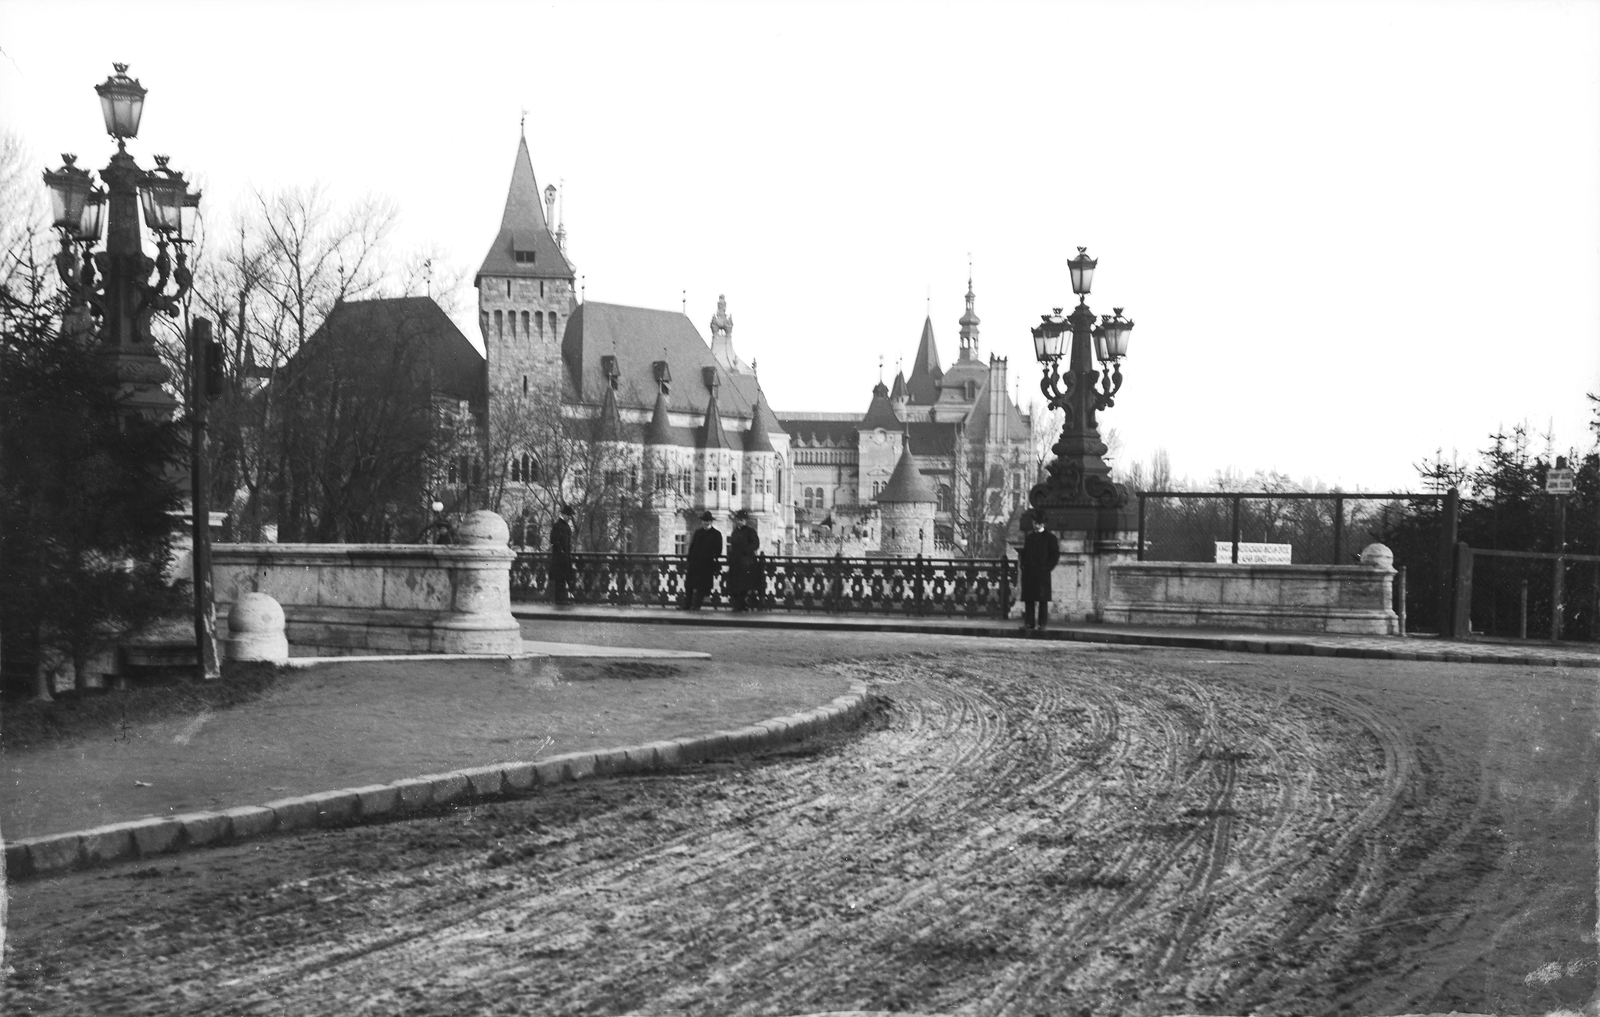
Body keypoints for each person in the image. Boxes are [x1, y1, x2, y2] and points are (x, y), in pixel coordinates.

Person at [1020, 508, 1061, 632]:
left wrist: (1047, 568)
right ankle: (1029, 623)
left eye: (1038, 523)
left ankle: (1042, 623)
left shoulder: (1050, 538)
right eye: (1034, 523)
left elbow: (1055, 555)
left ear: (1043, 524)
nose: (1036, 526)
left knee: (1042, 599)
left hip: (1042, 572)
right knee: (1029, 599)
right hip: (1029, 572)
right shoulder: (1029, 538)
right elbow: (1025, 553)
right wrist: (1023, 565)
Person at [684, 511, 723, 610]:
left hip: (706, 564)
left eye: (708, 521)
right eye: (704, 521)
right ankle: (686, 605)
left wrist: (711, 556)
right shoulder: (698, 532)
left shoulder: (716, 534)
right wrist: (690, 559)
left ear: (711, 522)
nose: (706, 523)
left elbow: (719, 549)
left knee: (701, 587)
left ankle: (696, 605)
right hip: (695, 563)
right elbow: (692, 546)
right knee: (689, 585)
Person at [726, 508, 762, 612]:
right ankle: (740, 605)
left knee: (743, 585)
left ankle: (740, 605)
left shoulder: (750, 531)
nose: (739, 521)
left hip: (746, 562)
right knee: (734, 585)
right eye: (738, 519)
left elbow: (756, 544)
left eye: (741, 520)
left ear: (745, 521)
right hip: (736, 562)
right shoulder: (735, 531)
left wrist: (745, 551)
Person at [548, 504, 576, 605]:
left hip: (563, 558)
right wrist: (562, 552)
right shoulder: (558, 526)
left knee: (562, 580)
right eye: (568, 515)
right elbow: (553, 541)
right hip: (560, 559)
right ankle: (559, 601)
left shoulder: (563, 526)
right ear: (563, 514)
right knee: (560, 581)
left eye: (570, 516)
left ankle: (561, 600)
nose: (569, 517)